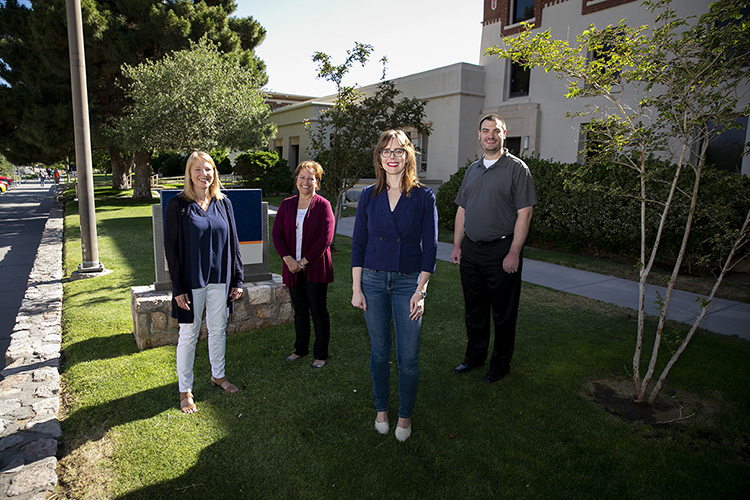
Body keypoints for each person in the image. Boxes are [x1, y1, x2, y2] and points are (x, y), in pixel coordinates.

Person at [351, 129, 438, 442]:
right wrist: (356, 288)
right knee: (378, 350)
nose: (392, 156)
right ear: (379, 157)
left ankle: (404, 415)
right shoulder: (368, 196)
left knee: (408, 356)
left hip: (408, 285)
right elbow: (359, 243)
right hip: (372, 282)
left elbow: (431, 247)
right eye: (386, 151)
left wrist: (421, 290)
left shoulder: (424, 197)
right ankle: (381, 409)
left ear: (408, 155)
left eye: (398, 151)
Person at [451, 114, 537, 383]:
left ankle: (499, 365)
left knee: (503, 312)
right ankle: (474, 358)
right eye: (485, 131)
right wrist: (457, 244)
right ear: (479, 135)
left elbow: (525, 213)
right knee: (474, 310)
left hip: (502, 251)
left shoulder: (517, 169)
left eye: (495, 131)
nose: (490, 135)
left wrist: (514, 252)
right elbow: (462, 209)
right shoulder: (472, 169)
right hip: (472, 251)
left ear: (504, 134)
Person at [164, 151, 244, 413]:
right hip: (191, 281)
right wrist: (178, 287)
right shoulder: (178, 205)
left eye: (208, 169)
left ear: (214, 173)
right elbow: (171, 249)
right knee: (188, 334)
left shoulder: (224, 203)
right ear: (189, 173)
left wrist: (237, 278)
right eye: (197, 169)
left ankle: (218, 375)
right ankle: (185, 390)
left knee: (218, 329)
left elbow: (233, 243)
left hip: (220, 280)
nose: (203, 174)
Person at [272, 160, 335, 369]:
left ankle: (321, 353)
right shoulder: (286, 204)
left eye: (311, 178)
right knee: (299, 311)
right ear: (296, 179)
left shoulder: (323, 205)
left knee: (318, 310)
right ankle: (300, 349)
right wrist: (288, 259)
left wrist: (304, 262)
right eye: (302, 177)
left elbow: (326, 238)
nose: (306, 182)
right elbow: (277, 234)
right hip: (291, 267)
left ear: (318, 182)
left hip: (315, 267)